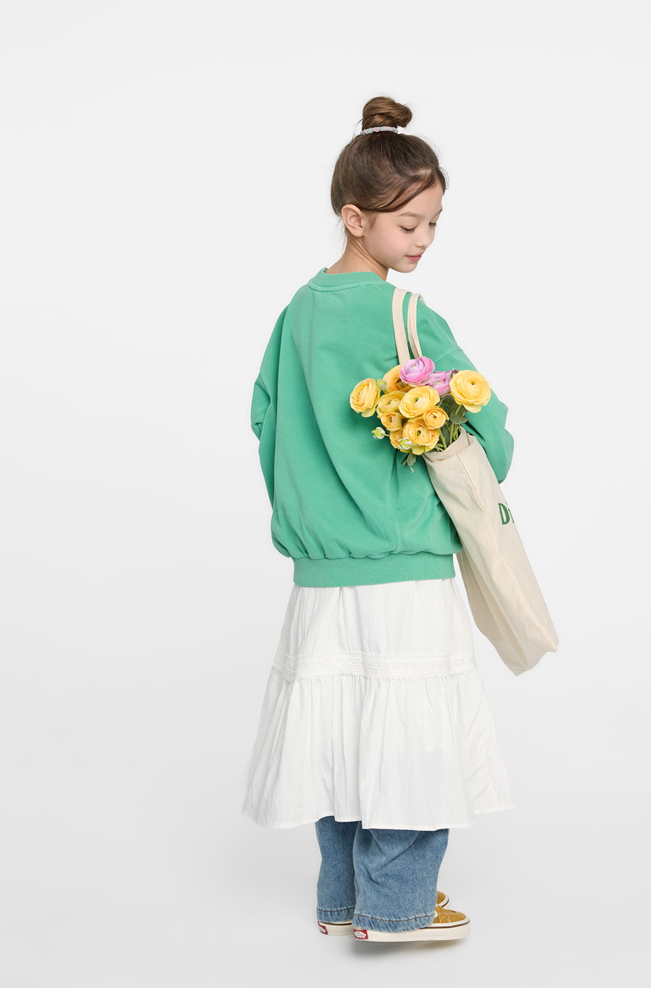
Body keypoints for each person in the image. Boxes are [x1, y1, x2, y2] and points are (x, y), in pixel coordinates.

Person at [241, 96, 515, 943]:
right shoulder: (407, 318)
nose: (424, 240)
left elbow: (265, 421)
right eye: (408, 224)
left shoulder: (296, 315)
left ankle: (344, 899)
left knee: (342, 729)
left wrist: (313, 503)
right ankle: (397, 905)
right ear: (354, 218)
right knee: (409, 734)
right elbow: (490, 434)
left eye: (433, 223)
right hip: (402, 562)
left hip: (322, 572)